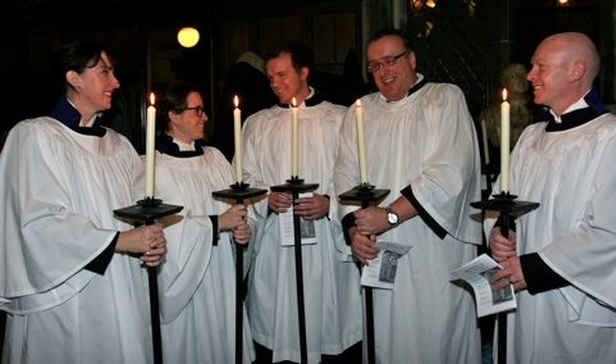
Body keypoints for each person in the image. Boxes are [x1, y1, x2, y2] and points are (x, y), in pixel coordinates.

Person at [0, 39, 167, 363]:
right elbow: (36, 224)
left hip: (122, 287)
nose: (116, 83)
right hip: (66, 295)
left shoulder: (119, 145)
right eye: (104, 72)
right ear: (73, 78)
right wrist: (118, 241)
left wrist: (153, 235)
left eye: (114, 72)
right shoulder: (34, 136)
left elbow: (141, 205)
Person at [487, 32, 616, 363]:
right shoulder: (531, 137)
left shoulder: (615, 137)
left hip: (577, 302)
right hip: (523, 296)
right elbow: (501, 200)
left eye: (541, 66)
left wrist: (533, 269)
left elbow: (614, 232)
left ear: (576, 71)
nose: (530, 75)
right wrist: (498, 233)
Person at [333, 28, 483, 363]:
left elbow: (448, 173)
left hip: (434, 247)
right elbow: (343, 176)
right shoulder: (360, 111)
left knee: (437, 335)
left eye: (390, 61)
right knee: (386, 337)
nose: (383, 72)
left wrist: (387, 217)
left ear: (411, 59)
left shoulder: (444, 98)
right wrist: (355, 231)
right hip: (378, 246)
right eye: (374, 66)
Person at [242, 41, 363, 364]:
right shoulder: (257, 124)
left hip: (326, 241)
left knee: (327, 322)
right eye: (270, 78)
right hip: (276, 247)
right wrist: (266, 198)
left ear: (304, 72)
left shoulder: (340, 118)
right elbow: (246, 177)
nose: (275, 83)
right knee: (279, 324)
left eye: (282, 75)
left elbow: (356, 176)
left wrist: (330, 204)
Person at [152, 83, 256, 363]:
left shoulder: (216, 159)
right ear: (173, 116)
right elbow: (162, 230)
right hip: (185, 279)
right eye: (197, 110)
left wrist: (242, 231)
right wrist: (216, 223)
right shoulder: (153, 168)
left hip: (221, 269)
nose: (205, 117)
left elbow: (235, 209)